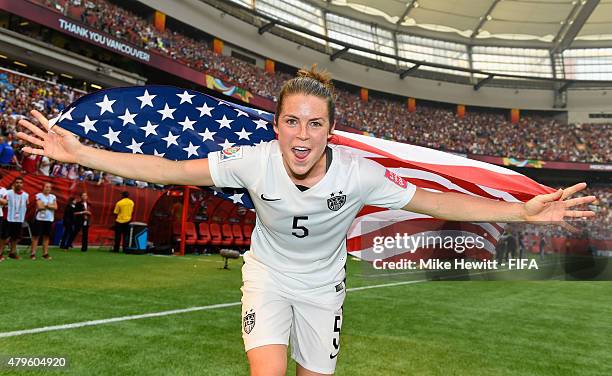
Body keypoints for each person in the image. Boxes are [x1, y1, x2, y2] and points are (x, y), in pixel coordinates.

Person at [16, 66, 596, 375]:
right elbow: (169, 170)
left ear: (329, 131)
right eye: (291, 122)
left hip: (324, 287)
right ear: (277, 126)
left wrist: (518, 209)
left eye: (314, 124)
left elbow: (436, 201)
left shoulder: (359, 173)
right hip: (267, 275)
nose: (301, 135)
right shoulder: (249, 161)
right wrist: (81, 154)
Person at [0, 177, 29, 261]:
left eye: (20, 182)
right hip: (8, 217)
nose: (18, 184)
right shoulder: (8, 193)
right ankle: (0, 253)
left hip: (18, 219)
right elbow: (4, 203)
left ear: (23, 184)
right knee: (3, 237)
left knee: (15, 237)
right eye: (17, 182)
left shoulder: (26, 195)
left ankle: (12, 253)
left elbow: (26, 204)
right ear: (14, 184)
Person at [30, 182, 57, 260]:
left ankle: (45, 254)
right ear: (43, 187)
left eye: (49, 187)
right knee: (36, 236)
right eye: (46, 187)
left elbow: (55, 207)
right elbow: (39, 206)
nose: (48, 188)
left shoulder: (53, 197)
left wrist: (46, 205)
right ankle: (33, 253)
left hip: (49, 219)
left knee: (46, 237)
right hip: (39, 219)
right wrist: (49, 205)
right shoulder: (39, 195)